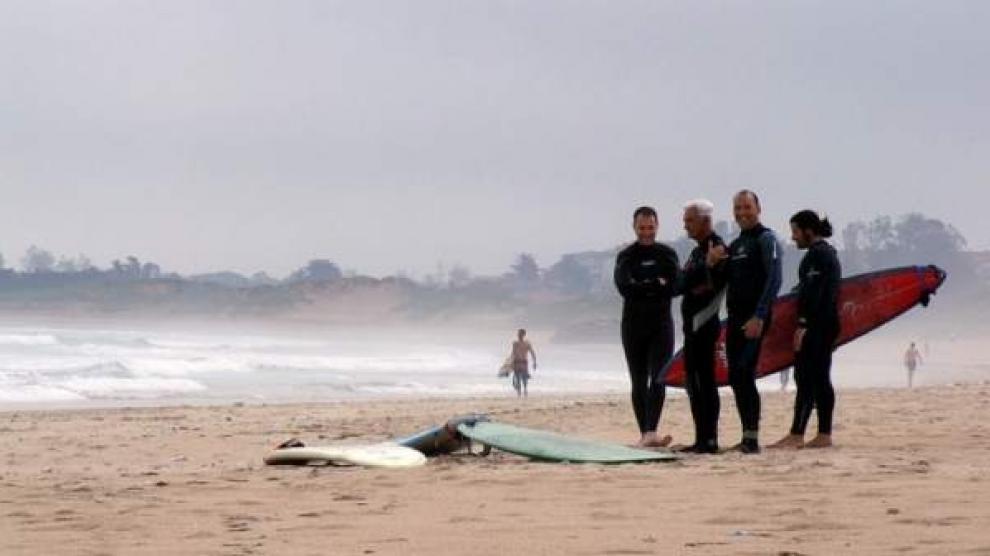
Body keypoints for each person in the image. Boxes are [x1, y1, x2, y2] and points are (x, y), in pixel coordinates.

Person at [708, 190, 782, 454]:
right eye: (737, 208)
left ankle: (752, 439)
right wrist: (714, 262)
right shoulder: (737, 245)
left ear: (758, 208)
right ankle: (747, 437)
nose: (742, 213)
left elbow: (774, 279)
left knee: (744, 373)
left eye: (747, 207)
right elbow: (723, 277)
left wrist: (760, 315)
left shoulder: (767, 239)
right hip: (735, 319)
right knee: (736, 377)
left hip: (754, 318)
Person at [770, 210, 841, 450]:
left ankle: (799, 434)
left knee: (809, 378)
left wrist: (802, 326)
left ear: (808, 231)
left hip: (817, 326)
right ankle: (821, 434)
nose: (793, 238)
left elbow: (815, 295)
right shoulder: (826, 253)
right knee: (818, 378)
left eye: (795, 232)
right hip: (825, 324)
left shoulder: (818, 256)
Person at [614, 206, 680, 448]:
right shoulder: (626, 256)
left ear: (657, 226)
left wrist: (642, 285)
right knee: (638, 380)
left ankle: (652, 431)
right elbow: (624, 287)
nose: (646, 232)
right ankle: (645, 433)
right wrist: (655, 283)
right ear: (634, 227)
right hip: (633, 325)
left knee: (659, 378)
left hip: (661, 324)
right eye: (642, 228)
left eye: (650, 227)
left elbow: (673, 286)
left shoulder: (667, 254)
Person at [676, 199, 727, 454]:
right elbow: (679, 285)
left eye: (690, 221)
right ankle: (701, 438)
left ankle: (710, 440)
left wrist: (703, 270)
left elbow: (710, 285)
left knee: (704, 382)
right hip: (691, 327)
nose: (685, 226)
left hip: (704, 324)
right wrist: (701, 268)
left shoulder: (718, 248)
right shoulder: (699, 252)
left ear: (705, 221)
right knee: (693, 384)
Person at [510, 329, 537, 397]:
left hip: (524, 362)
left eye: (520, 334)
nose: (519, 335)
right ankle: (519, 392)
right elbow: (513, 353)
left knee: (524, 378)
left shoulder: (527, 343)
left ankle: (525, 390)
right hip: (516, 362)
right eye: (518, 334)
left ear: (523, 335)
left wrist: (534, 362)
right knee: (517, 378)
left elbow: (532, 352)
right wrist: (510, 363)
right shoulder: (515, 343)